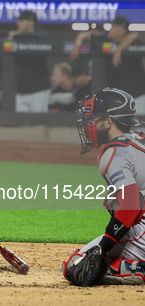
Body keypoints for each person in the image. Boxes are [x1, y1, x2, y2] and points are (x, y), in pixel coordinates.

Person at [63, 88, 145, 286]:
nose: (89, 124)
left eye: (94, 119)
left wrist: (104, 246)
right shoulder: (140, 140)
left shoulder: (114, 152)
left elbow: (131, 206)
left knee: (76, 266)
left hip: (141, 232)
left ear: (109, 121)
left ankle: (136, 268)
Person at [70, 16, 145, 115]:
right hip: (122, 98)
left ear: (122, 30)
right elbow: (84, 35)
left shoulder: (133, 42)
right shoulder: (107, 42)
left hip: (138, 95)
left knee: (139, 126)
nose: (110, 29)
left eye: (114, 27)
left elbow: (135, 35)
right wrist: (78, 43)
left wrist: (119, 49)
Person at [7, 10, 51, 113]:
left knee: (38, 126)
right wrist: (10, 39)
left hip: (39, 91)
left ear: (31, 22)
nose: (18, 23)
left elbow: (44, 39)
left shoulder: (42, 37)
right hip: (19, 91)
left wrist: (17, 36)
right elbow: (2, 59)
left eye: (22, 20)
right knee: (20, 128)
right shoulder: (14, 38)